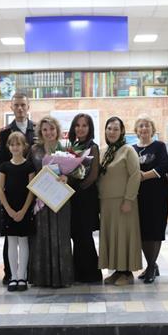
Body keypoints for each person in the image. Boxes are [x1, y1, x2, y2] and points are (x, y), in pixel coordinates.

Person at [29, 116, 74, 288]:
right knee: (42, 236)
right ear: (40, 132)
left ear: (57, 130)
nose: (49, 132)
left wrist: (67, 177)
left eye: (52, 129)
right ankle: (43, 278)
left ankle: (62, 277)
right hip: (41, 200)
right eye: (45, 129)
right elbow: (29, 172)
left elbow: (76, 172)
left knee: (61, 236)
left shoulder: (66, 149)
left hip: (60, 200)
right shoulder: (34, 149)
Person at [0, 92, 36, 284]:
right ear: (11, 107)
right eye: (16, 105)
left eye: (23, 105)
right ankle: (10, 273)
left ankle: (26, 274)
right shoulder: (5, 132)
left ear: (28, 107)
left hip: (31, 187)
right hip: (11, 191)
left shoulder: (36, 129)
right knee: (10, 239)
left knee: (27, 238)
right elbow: (0, 161)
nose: (20, 108)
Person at [98, 117, 142, 286]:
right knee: (112, 238)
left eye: (116, 129)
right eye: (109, 128)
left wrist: (128, 199)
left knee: (124, 237)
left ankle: (127, 273)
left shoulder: (128, 150)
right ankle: (117, 271)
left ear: (122, 131)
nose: (112, 132)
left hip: (123, 202)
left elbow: (135, 175)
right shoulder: (103, 151)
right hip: (106, 203)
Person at [132, 115, 168, 284]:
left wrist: (143, 176)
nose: (144, 128)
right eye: (141, 126)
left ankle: (151, 266)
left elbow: (164, 166)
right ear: (136, 130)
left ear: (152, 129)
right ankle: (151, 265)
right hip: (139, 196)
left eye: (147, 125)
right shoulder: (131, 149)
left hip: (157, 195)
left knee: (155, 231)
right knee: (143, 231)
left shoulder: (159, 146)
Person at [67, 113, 103, 283]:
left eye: (84, 125)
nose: (80, 129)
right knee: (76, 234)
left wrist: (76, 189)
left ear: (90, 128)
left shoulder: (92, 147)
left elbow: (93, 175)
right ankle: (78, 272)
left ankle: (92, 274)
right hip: (73, 197)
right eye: (77, 125)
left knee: (85, 235)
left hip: (86, 197)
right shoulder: (72, 146)